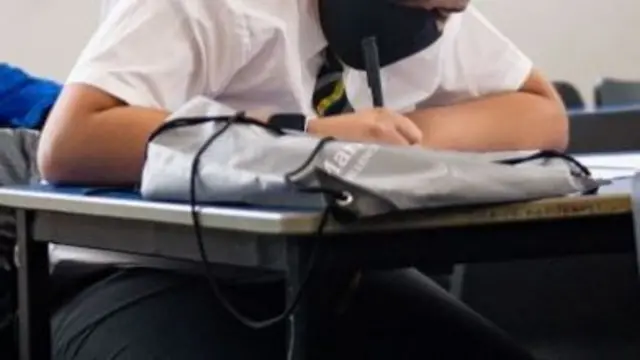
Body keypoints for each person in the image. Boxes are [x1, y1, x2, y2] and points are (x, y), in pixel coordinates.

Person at [36, 0, 568, 358]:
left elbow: (542, 111)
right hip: (148, 273)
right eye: (430, 10)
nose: (439, 27)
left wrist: (406, 138)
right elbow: (70, 142)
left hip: (322, 271)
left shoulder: (427, 12)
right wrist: (306, 135)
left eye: (447, 12)